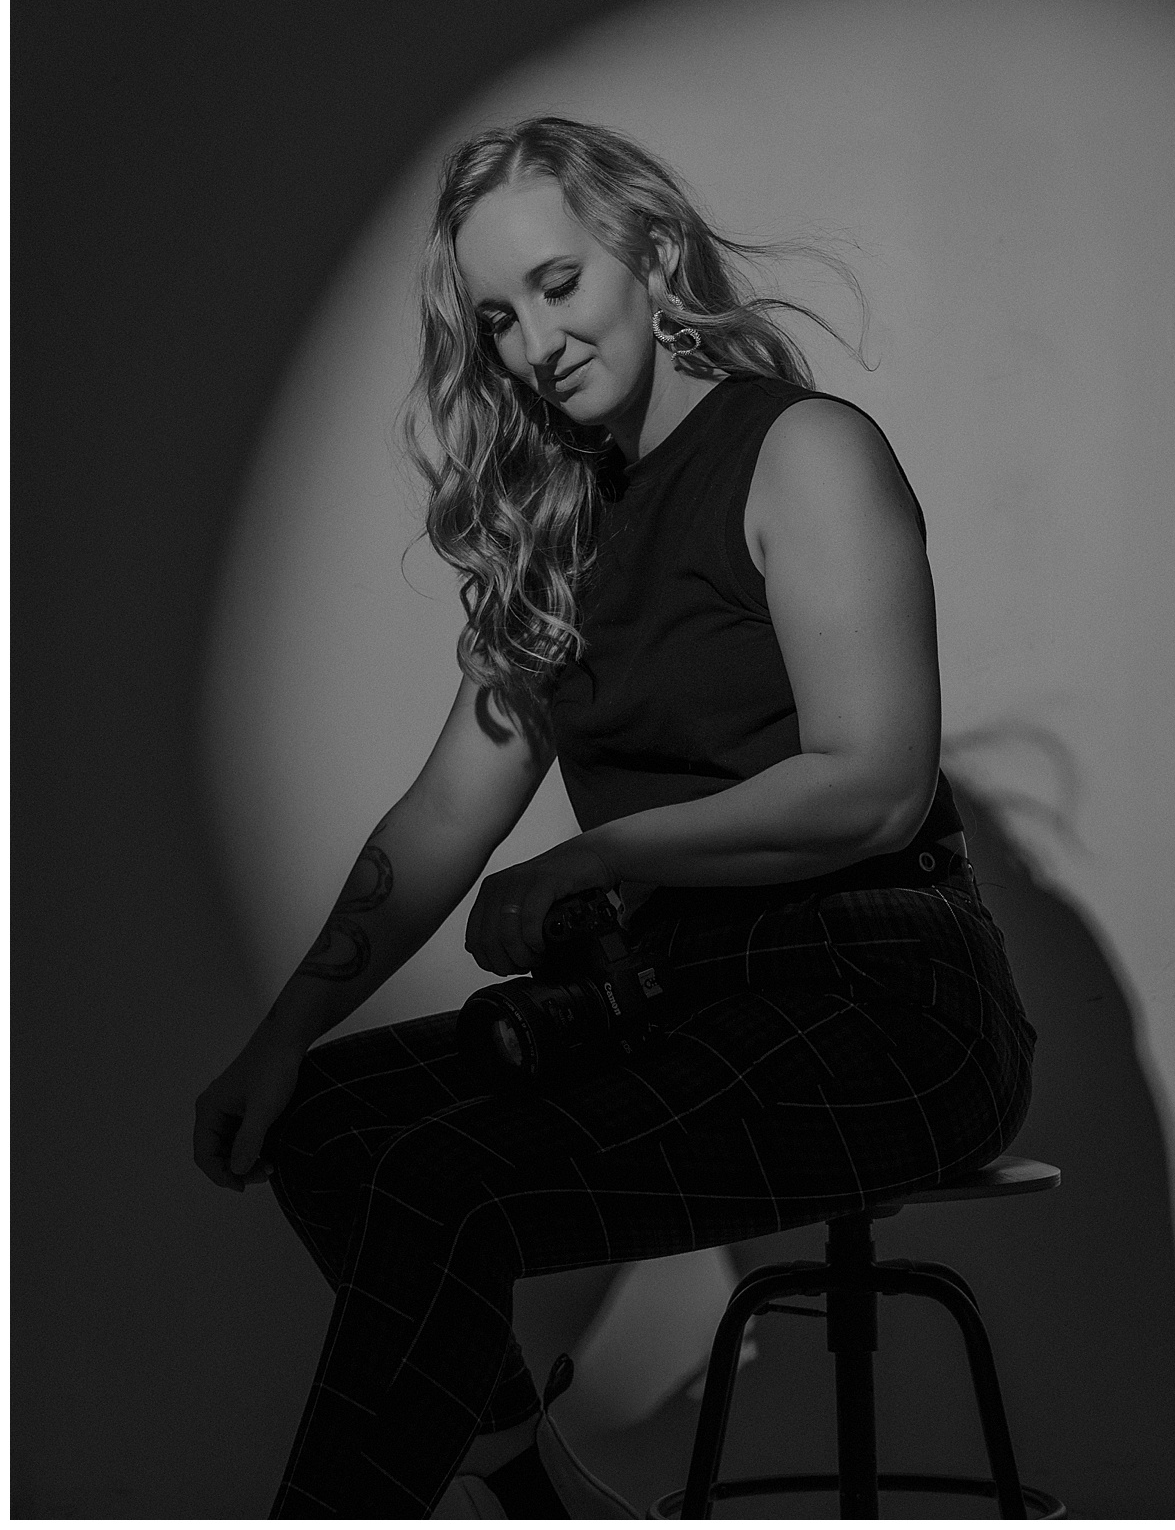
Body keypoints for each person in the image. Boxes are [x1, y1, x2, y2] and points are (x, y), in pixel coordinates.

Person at [193, 115, 1036, 1518]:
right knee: (331, 1124)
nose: (535, 342)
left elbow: (874, 783)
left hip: (890, 997)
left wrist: (595, 852)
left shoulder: (801, 450)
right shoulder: (559, 528)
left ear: (646, 247)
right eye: (498, 318)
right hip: (682, 999)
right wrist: (278, 1038)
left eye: (559, 284)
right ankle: (533, 1477)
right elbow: (440, 817)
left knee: (449, 1181)